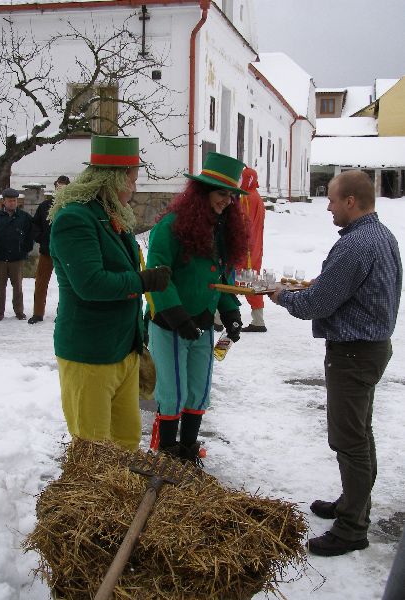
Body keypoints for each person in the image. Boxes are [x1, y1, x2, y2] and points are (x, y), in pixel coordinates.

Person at [268, 170, 402, 556]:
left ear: (350, 202)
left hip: (354, 353)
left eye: (331, 199)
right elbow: (350, 289)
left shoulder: (357, 244)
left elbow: (318, 304)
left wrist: (281, 296)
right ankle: (351, 504)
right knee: (360, 434)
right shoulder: (382, 236)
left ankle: (352, 528)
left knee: (349, 440)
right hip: (369, 348)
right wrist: (318, 285)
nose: (327, 206)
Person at [49, 135, 171, 451]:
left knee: (126, 442)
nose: (135, 187)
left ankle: (124, 488)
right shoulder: (74, 218)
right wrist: (141, 282)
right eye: (132, 179)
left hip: (122, 350)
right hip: (90, 352)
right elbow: (91, 284)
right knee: (94, 452)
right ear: (113, 179)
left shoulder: (111, 215)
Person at [146, 152, 248, 462]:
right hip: (170, 324)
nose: (227, 201)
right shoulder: (170, 227)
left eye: (231, 195)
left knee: (198, 389)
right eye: (221, 194)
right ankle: (167, 454)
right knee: (172, 391)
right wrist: (178, 317)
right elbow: (158, 275)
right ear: (202, 192)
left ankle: (188, 452)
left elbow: (218, 277)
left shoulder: (220, 228)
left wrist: (230, 312)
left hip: (202, 324)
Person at [28, 175, 70, 325]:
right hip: (47, 251)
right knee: (41, 283)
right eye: (58, 187)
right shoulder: (45, 206)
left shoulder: (71, 206)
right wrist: (41, 238)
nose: (60, 190)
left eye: (64, 187)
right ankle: (38, 313)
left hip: (65, 253)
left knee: (66, 285)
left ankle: (63, 313)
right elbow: (35, 225)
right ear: (55, 187)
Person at [0, 188, 34, 321]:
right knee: (0, 287)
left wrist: (25, 249)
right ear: (4, 201)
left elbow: (30, 235)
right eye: (9, 201)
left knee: (18, 287)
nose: (12, 203)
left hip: (17, 257)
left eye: (14, 200)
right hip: (0, 257)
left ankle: (19, 311)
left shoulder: (24, 217)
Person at [238, 166, 267, 332]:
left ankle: (218, 319)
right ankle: (258, 319)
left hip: (244, 249)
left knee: (229, 281)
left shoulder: (245, 198)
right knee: (253, 282)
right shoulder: (257, 197)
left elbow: (241, 224)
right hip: (255, 248)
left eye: (241, 178)